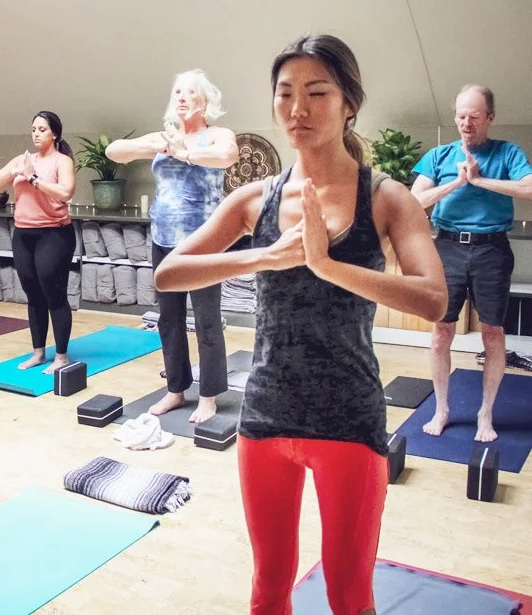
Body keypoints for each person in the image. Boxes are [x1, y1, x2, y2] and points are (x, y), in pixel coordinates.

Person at [153, 35, 447, 615]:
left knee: (349, 595)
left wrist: (327, 265)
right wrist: (263, 256)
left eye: (317, 93)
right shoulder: (255, 199)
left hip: (349, 417)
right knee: (267, 590)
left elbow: (434, 301)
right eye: (285, 94)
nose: (298, 109)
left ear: (348, 103)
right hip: (266, 414)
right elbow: (169, 273)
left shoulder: (385, 198)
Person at [106, 70, 238, 423]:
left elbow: (228, 156)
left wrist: (186, 153)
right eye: (177, 91)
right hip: (163, 239)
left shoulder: (217, 135)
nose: (181, 96)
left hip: (203, 242)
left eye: (190, 92)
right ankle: (176, 391)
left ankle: (208, 396)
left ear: (204, 101)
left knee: (207, 321)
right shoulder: (163, 137)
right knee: (168, 319)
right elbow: (113, 151)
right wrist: (154, 146)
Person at [410, 85, 532, 442]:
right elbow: (414, 202)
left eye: (474, 117)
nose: (466, 123)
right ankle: (442, 409)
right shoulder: (439, 156)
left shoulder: (507, 152)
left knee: (493, 333)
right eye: (461, 116)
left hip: (492, 250)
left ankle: (485, 414)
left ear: (489, 117)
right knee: (441, 332)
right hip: (447, 248)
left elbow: (529, 188)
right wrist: (457, 183)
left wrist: (480, 180)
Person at [0, 111, 76, 374]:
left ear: (54, 134)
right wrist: (15, 171)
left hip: (54, 234)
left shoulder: (62, 161)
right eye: (34, 129)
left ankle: (61, 356)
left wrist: (33, 179)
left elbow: (66, 192)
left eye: (42, 129)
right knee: (33, 293)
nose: (36, 134)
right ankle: (38, 353)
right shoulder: (22, 160)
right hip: (24, 235)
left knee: (53, 291)